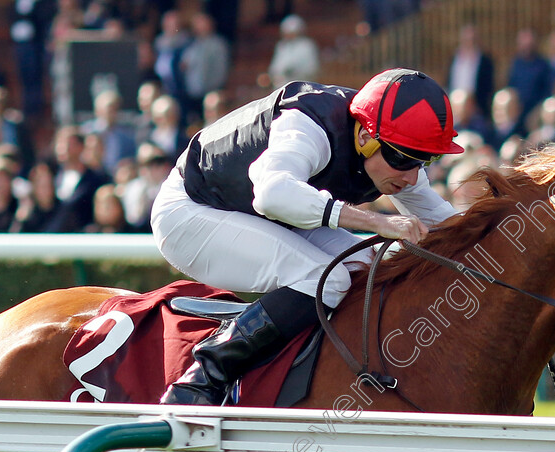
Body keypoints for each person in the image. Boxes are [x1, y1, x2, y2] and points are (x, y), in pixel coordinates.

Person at [152, 68, 464, 405]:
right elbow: (272, 194)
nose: (410, 175)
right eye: (402, 158)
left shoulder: (388, 149)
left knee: (368, 268)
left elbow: (452, 226)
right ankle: (203, 376)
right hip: (190, 212)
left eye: (424, 160)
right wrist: (378, 221)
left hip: (264, 214)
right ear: (364, 137)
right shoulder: (308, 124)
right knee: (327, 279)